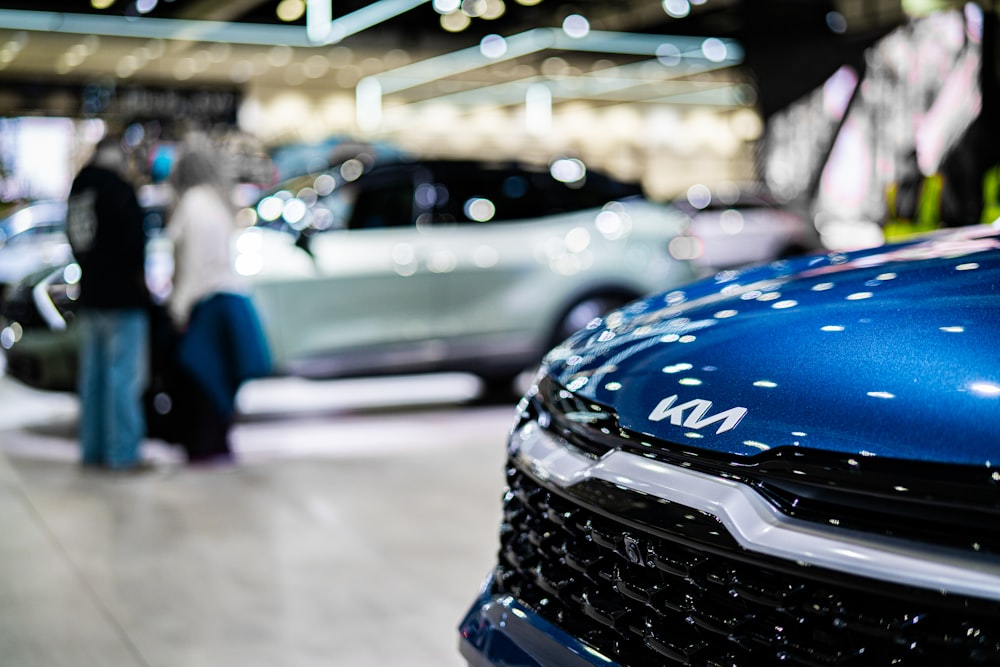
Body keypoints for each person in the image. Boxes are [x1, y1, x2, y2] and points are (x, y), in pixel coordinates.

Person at [166, 145, 270, 465]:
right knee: (219, 379)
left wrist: (178, 308)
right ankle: (216, 443)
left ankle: (204, 446)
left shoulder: (193, 204)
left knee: (202, 377)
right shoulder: (217, 202)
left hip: (205, 304)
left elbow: (194, 265)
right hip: (227, 300)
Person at [66, 134, 152, 472]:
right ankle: (122, 455)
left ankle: (93, 451)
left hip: (90, 296)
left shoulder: (79, 189)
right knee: (122, 379)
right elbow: (134, 245)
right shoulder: (118, 189)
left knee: (94, 379)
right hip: (122, 299)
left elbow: (74, 239)